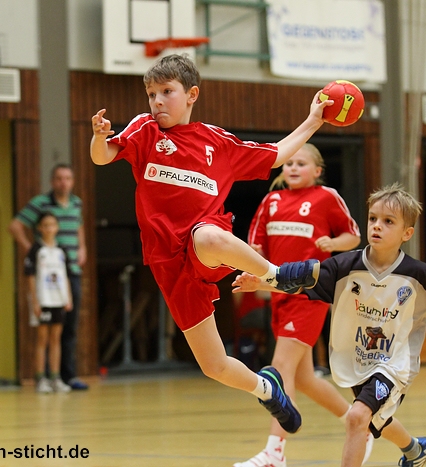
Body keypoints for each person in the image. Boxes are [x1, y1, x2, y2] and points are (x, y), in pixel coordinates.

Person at [90, 53, 332, 434]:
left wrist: (313, 121)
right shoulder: (144, 131)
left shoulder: (216, 142)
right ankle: (268, 389)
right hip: (168, 263)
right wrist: (99, 137)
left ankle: (278, 276)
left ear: (191, 95)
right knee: (214, 366)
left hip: (204, 243)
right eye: (151, 94)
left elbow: (275, 155)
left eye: (166, 92)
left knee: (208, 235)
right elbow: (102, 157)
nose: (157, 101)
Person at [232, 183, 426, 467]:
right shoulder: (346, 266)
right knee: (377, 420)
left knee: (357, 417)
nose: (377, 226)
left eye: (388, 221)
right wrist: (261, 282)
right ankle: (415, 449)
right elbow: (297, 279)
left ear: (407, 233)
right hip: (357, 359)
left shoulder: (419, 275)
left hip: (394, 363)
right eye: (373, 218)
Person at [236, 143, 366, 467]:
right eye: (289, 163)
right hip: (279, 294)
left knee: (280, 369)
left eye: (301, 163)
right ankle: (359, 424)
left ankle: (274, 453)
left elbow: (353, 236)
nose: (293, 168)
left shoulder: (326, 197)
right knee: (305, 379)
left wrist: (333, 243)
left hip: (310, 293)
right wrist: (253, 271)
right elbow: (255, 246)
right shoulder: (271, 201)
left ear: (317, 171)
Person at [9, 163, 89, 391]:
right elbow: (15, 226)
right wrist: (31, 249)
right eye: (59, 178)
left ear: (72, 181)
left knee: (68, 326)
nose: (64, 182)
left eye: (68, 178)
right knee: (44, 333)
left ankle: (65, 376)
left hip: (70, 272)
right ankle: (43, 376)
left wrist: (82, 247)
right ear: (53, 181)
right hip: (46, 276)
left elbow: (79, 226)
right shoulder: (40, 203)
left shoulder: (76, 203)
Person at [25, 212, 73, 393]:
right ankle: (40, 379)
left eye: (52, 225)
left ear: (57, 228)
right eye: (45, 225)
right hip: (43, 299)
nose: (49, 228)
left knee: (56, 339)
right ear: (39, 228)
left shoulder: (61, 250)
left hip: (59, 299)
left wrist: (68, 297)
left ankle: (55, 378)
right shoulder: (36, 250)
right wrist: (35, 301)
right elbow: (30, 276)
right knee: (42, 339)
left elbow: (66, 275)